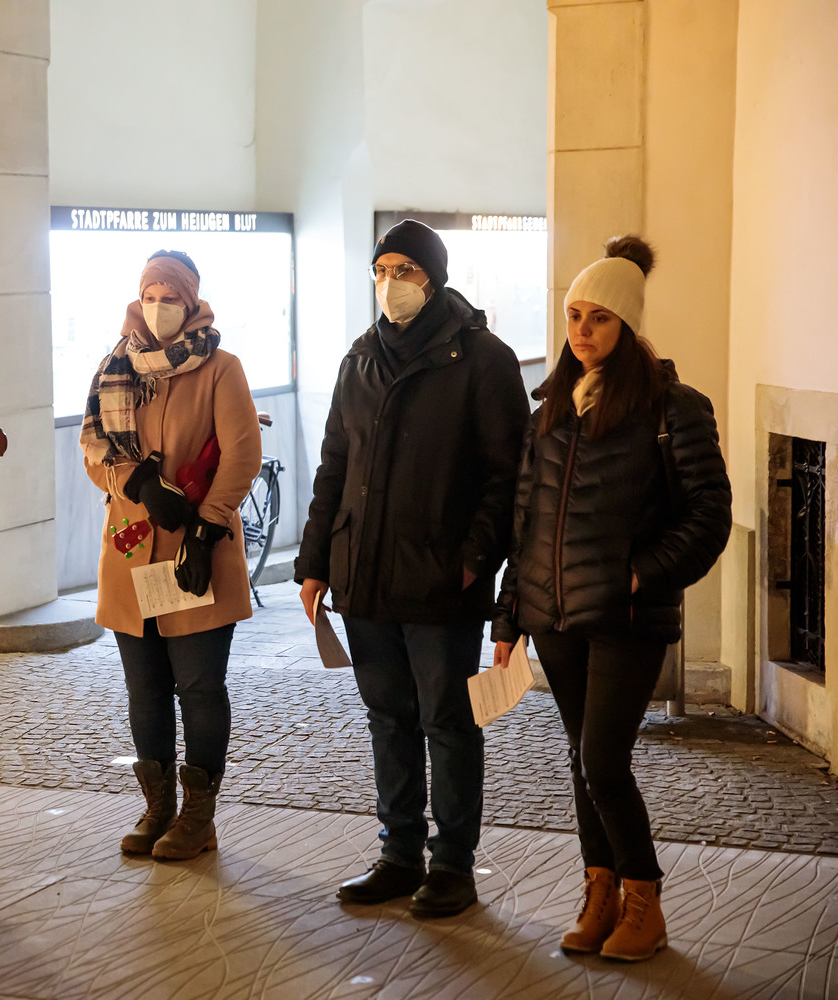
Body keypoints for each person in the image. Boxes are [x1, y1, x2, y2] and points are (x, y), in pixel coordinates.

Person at [493, 236, 731, 961]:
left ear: (626, 324)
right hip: (554, 613)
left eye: (599, 318)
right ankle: (599, 894)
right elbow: (526, 518)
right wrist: (509, 617)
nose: (583, 331)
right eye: (574, 316)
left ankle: (643, 901)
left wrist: (639, 574)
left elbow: (709, 517)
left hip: (626, 617)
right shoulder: (550, 408)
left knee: (602, 759)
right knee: (579, 757)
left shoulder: (672, 407)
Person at [295, 219, 529, 916]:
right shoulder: (360, 358)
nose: (389, 283)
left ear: (434, 277)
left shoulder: (483, 360)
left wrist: (473, 560)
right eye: (381, 269)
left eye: (405, 270)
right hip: (364, 576)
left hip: (440, 580)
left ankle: (452, 865)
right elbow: (334, 466)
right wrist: (315, 560)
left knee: (447, 723)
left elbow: (507, 477)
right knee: (388, 719)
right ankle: (399, 854)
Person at [80, 250, 262, 861]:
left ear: (191, 303)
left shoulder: (220, 368)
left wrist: (206, 530)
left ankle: (197, 818)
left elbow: (242, 455)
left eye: (170, 298)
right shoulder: (116, 366)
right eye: (149, 296)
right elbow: (94, 451)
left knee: (200, 686)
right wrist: (135, 482)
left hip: (195, 549)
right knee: (146, 688)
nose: (157, 307)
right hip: (130, 549)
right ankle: (156, 808)